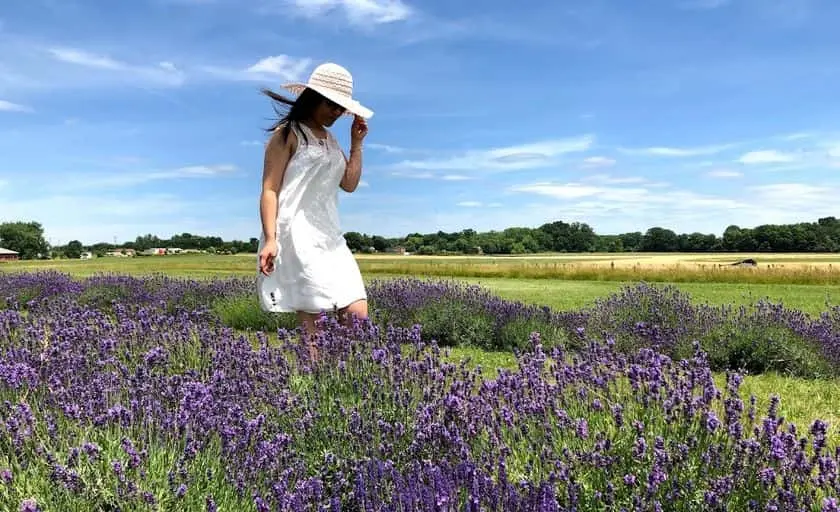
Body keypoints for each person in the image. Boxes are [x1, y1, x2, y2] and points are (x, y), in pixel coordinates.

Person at [255, 62, 373, 351]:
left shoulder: (331, 141)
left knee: (357, 315)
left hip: (330, 234)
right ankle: (315, 387)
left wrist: (356, 143)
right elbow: (269, 189)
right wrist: (270, 238)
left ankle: (341, 380)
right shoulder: (288, 134)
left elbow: (349, 184)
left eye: (340, 108)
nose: (337, 113)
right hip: (296, 233)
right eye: (332, 105)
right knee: (315, 323)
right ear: (313, 98)